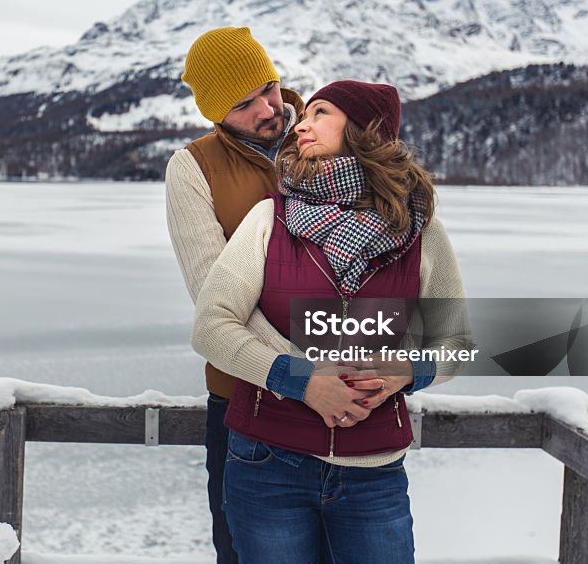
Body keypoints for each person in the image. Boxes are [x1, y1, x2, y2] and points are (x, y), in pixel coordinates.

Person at [192, 80, 473, 564]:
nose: (300, 122)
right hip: (266, 460)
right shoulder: (271, 218)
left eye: (320, 112)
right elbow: (212, 326)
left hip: (373, 470)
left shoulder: (421, 230)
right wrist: (301, 380)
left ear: (366, 130)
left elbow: (457, 340)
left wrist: (408, 370)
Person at [166, 27, 339, 563]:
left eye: (270, 87)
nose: (269, 108)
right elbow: (214, 295)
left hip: (347, 395)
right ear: (215, 113)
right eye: (245, 104)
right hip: (245, 395)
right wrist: (300, 374)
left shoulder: (330, 134)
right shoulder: (193, 168)